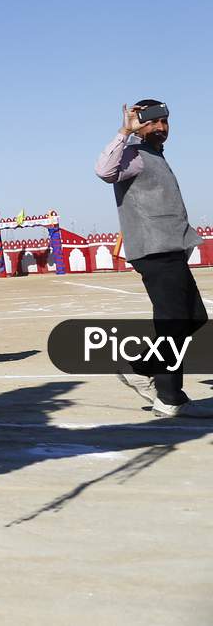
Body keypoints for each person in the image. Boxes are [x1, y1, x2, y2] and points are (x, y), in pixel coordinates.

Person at [97, 100, 208, 418]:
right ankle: (169, 396)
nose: (161, 128)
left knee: (194, 318)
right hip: (154, 250)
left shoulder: (154, 154)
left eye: (165, 122)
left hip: (171, 249)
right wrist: (124, 131)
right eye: (152, 123)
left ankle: (141, 366)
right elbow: (104, 171)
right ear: (139, 124)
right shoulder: (133, 153)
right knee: (173, 323)